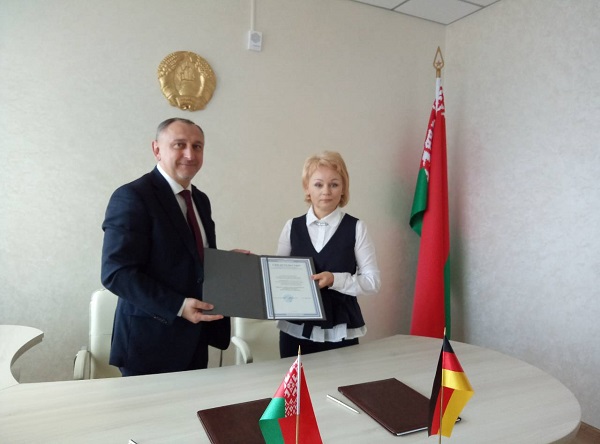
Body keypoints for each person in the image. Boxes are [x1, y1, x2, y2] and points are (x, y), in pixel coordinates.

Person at [101, 117, 230, 376]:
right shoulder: (132, 196)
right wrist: (179, 306)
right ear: (157, 149)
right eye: (179, 145)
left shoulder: (200, 200)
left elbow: (193, 260)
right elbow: (117, 273)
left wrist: (226, 262)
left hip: (195, 340)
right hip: (149, 344)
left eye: (197, 146)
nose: (190, 154)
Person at [276, 151, 381, 358]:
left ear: (343, 189)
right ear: (307, 188)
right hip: (296, 328)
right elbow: (278, 277)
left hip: (340, 328)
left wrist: (335, 280)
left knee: (340, 378)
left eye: (334, 184)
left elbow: (373, 282)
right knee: (295, 379)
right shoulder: (292, 227)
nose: (326, 191)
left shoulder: (356, 227)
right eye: (318, 184)